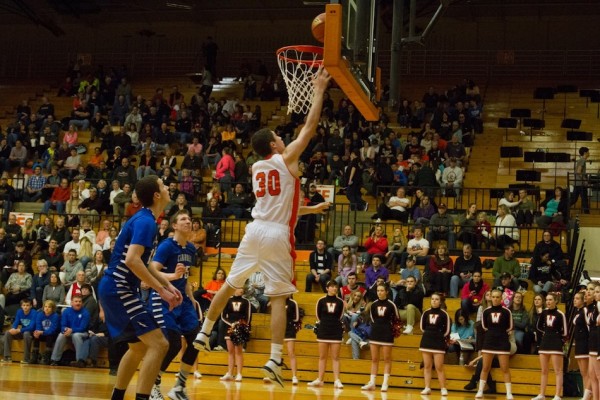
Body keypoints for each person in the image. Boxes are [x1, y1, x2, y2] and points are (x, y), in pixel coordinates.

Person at [193, 68, 331, 388]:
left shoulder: (256, 167)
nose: (285, 139)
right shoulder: (286, 159)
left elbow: (281, 203)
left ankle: (203, 331)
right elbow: (309, 128)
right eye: (280, 137)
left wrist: (310, 207)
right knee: (280, 298)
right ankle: (274, 358)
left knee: (229, 284)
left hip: (255, 229)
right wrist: (320, 90)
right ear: (273, 142)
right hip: (277, 234)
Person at [98, 175, 182, 400]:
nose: (167, 188)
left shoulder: (146, 220)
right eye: (163, 186)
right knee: (159, 344)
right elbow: (132, 261)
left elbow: (143, 264)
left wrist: (167, 284)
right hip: (119, 288)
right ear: (157, 195)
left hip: (116, 288)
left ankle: (117, 397)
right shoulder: (145, 221)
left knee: (138, 348)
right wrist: (161, 291)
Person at [149, 211, 203, 400]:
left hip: (183, 300)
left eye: (190, 218)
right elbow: (151, 271)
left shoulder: (190, 249)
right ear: (175, 226)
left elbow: (185, 277)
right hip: (163, 298)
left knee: (197, 340)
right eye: (183, 219)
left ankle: (179, 386)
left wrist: (191, 297)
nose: (188, 221)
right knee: (171, 344)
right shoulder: (166, 246)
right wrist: (172, 277)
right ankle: (152, 385)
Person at [476, 289, 514, 399]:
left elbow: (510, 327)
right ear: (490, 298)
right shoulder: (486, 311)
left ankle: (508, 393)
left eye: (498, 297)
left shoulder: (507, 312)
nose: (495, 299)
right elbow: (484, 326)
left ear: (501, 299)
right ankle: (480, 391)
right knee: (485, 367)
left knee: (505, 368)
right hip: (489, 342)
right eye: (493, 297)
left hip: (502, 342)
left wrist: (500, 332)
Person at [307, 280, 345, 389]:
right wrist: (325, 324)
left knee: (336, 357)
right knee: (322, 356)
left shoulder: (340, 302)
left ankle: (337, 380)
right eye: (332, 287)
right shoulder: (321, 301)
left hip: (336, 331)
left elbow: (340, 316)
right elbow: (318, 316)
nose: (334, 288)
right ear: (327, 288)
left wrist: (332, 323)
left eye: (335, 287)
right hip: (323, 330)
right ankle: (320, 379)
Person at [361, 283, 399, 392]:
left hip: (387, 334)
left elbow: (396, 320)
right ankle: (372, 382)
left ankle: (385, 383)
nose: (379, 292)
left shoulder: (391, 305)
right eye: (378, 291)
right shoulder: (373, 305)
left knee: (387, 359)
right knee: (374, 359)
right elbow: (372, 319)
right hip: (375, 333)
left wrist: (391, 331)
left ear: (387, 292)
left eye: (382, 290)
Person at [533, 292, 567, 400]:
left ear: (555, 301)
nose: (548, 302)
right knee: (544, 370)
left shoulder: (560, 314)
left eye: (550, 300)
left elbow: (565, 332)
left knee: (558, 370)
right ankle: (542, 394)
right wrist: (547, 332)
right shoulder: (543, 313)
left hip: (556, 343)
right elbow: (538, 326)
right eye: (547, 300)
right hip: (545, 343)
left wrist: (556, 336)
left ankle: (557, 395)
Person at [419, 293, 451, 396]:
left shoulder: (444, 314)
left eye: (436, 299)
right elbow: (422, 327)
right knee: (427, 366)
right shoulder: (426, 313)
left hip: (438, 342)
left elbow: (447, 331)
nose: (434, 301)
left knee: (439, 367)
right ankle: (427, 387)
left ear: (440, 301)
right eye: (432, 299)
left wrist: (439, 337)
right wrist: (429, 334)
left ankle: (443, 388)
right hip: (426, 341)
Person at [219, 287, 252, 382]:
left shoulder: (246, 302)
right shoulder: (227, 300)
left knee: (238, 351)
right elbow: (223, 316)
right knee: (230, 351)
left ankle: (239, 374)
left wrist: (242, 325)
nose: (241, 290)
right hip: (229, 328)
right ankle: (229, 373)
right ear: (234, 289)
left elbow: (249, 317)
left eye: (242, 288)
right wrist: (231, 324)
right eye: (239, 288)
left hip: (240, 328)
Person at [50, 294, 91, 367]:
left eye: (80, 301)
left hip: (82, 333)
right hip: (69, 331)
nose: (78, 303)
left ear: (82, 303)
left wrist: (71, 330)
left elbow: (83, 328)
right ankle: (54, 359)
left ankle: (79, 361)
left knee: (76, 335)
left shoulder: (85, 313)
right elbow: (63, 325)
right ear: (72, 303)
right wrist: (66, 330)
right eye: (76, 301)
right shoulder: (66, 311)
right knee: (61, 335)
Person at [2, 298, 35, 363]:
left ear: (31, 306)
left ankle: (26, 359)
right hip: (22, 331)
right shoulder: (19, 311)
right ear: (21, 306)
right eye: (24, 305)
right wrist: (13, 328)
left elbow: (31, 327)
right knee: (8, 333)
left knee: (26, 333)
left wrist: (19, 330)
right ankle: (7, 357)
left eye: (27, 305)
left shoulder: (34, 312)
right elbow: (16, 321)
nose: (25, 307)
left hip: (31, 333)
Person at [571, 291, 590, 400]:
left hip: (585, 343)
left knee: (586, 372)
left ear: (583, 301)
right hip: (578, 343)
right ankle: (585, 395)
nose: (575, 300)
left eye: (577, 298)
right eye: (574, 298)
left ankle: (587, 396)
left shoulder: (585, 310)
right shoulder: (577, 311)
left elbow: (589, 328)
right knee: (583, 372)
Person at [31, 299, 60, 365]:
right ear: (43, 307)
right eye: (45, 307)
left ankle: (47, 357)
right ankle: (35, 356)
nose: (47, 309)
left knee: (50, 336)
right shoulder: (39, 315)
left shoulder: (55, 316)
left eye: (49, 307)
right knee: (35, 335)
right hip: (42, 333)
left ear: (53, 308)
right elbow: (38, 326)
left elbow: (53, 329)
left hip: (52, 334)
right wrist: (37, 332)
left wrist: (42, 332)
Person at [570, 146, 590, 214]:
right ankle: (587, 214)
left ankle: (564, 208)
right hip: (580, 183)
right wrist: (584, 180)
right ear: (585, 153)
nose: (589, 154)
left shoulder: (580, 160)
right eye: (588, 152)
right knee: (584, 199)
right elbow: (578, 171)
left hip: (577, 183)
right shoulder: (582, 160)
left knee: (574, 199)